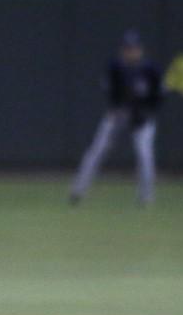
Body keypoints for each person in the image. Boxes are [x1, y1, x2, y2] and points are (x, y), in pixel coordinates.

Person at [69, 29, 164, 205]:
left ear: (140, 49)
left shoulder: (151, 70)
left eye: (133, 48)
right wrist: (115, 111)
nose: (130, 51)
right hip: (118, 116)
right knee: (96, 151)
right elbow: (110, 93)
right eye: (127, 48)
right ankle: (77, 191)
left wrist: (146, 113)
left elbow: (158, 97)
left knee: (145, 156)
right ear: (122, 50)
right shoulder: (115, 67)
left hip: (142, 119)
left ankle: (146, 197)